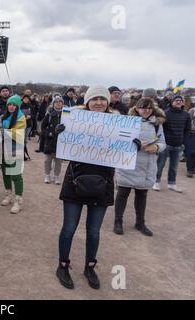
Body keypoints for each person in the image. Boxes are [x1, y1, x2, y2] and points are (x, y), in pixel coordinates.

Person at [55, 85, 115, 290]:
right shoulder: (74, 121)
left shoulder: (118, 124)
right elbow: (62, 155)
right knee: (69, 228)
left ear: (108, 102)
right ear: (87, 101)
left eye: (102, 98)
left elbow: (122, 154)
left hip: (103, 183)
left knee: (94, 231)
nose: (99, 102)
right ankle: (63, 265)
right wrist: (60, 136)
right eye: (94, 98)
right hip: (76, 181)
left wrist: (132, 145)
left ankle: (90, 267)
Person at [114, 98, 166, 236]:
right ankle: (118, 221)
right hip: (128, 163)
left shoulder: (156, 124)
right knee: (122, 194)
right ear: (137, 108)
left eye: (149, 108)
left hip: (146, 165)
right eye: (143, 107)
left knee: (142, 195)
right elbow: (119, 140)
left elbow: (162, 143)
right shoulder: (127, 122)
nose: (146, 110)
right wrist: (134, 145)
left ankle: (140, 222)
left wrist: (156, 147)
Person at [153, 96, 191, 193]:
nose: (178, 102)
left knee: (174, 166)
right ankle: (156, 182)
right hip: (165, 144)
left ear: (182, 103)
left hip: (178, 144)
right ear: (172, 102)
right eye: (176, 100)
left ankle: (172, 183)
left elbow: (187, 130)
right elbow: (159, 128)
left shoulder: (186, 115)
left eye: (180, 101)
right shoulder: (165, 113)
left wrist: (184, 142)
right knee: (160, 164)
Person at [0, 95, 26, 214]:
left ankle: (18, 201)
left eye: (13, 105)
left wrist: (2, 131)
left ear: (17, 106)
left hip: (16, 149)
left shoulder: (21, 118)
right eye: (9, 104)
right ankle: (8, 194)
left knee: (16, 174)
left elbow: (18, 134)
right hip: (5, 148)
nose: (11, 106)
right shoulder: (4, 117)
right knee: (5, 172)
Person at [42, 96, 64, 185]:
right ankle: (47, 175)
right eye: (56, 101)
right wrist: (48, 134)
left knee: (58, 161)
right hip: (50, 141)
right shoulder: (49, 114)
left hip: (61, 142)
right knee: (47, 160)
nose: (58, 103)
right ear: (53, 103)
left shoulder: (67, 115)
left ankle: (56, 176)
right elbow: (43, 127)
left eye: (60, 101)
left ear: (62, 103)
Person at [185, 106, 195, 178]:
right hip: (192, 133)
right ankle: (190, 170)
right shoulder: (192, 110)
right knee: (191, 152)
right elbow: (187, 122)